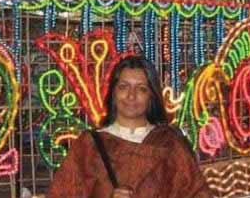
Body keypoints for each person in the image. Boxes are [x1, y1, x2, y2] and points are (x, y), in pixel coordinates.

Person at [46, 56, 213, 198]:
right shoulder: (89, 146)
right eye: (123, 87)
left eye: (141, 89)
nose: (131, 96)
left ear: (151, 96)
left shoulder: (170, 145)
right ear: (113, 92)